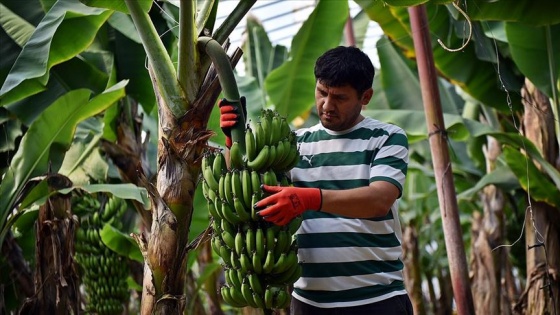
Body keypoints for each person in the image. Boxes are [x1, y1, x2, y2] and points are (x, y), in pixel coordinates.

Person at [219, 46, 412, 315]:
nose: (327, 105)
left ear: (365, 97)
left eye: (340, 98)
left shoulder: (386, 138)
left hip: (376, 299)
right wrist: (233, 141)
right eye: (322, 92)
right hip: (309, 303)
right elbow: (248, 184)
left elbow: (379, 200)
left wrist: (309, 198)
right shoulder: (294, 144)